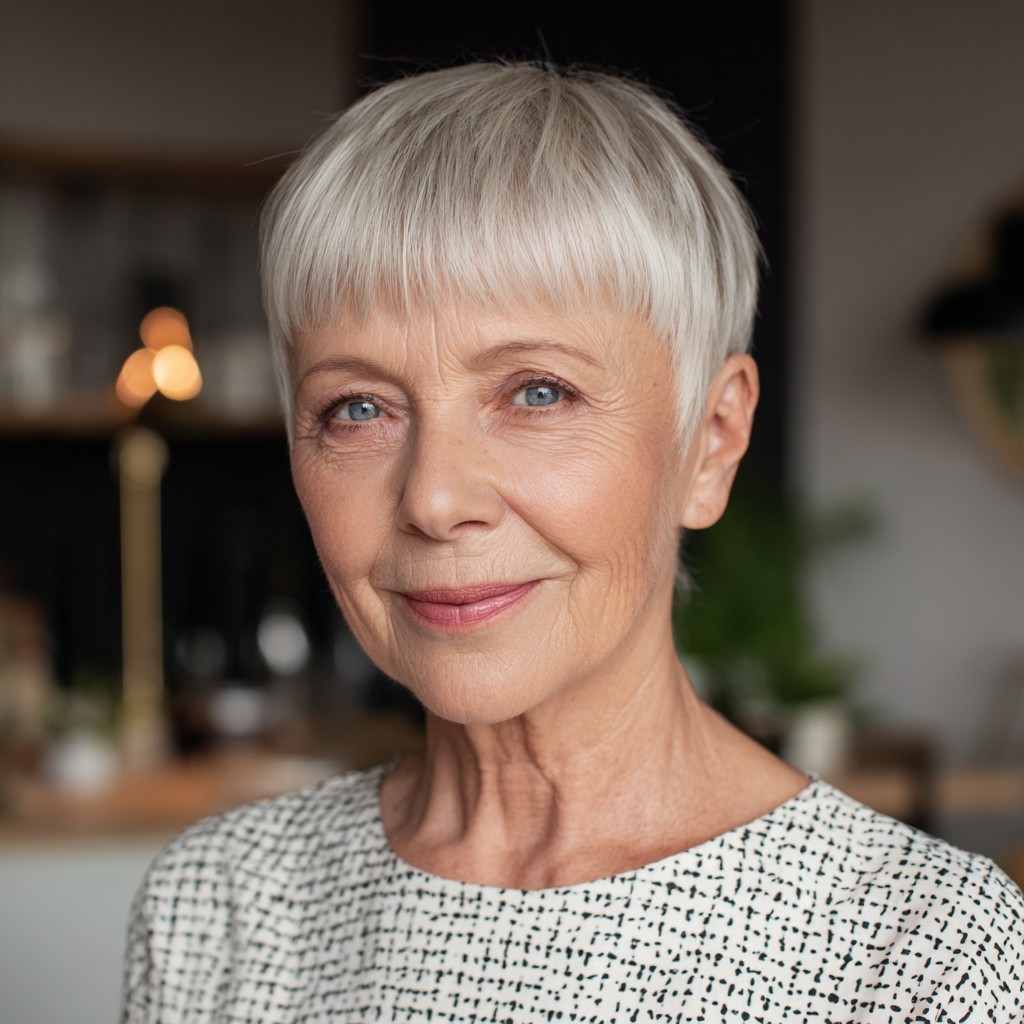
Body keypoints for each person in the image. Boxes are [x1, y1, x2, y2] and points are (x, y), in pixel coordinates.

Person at [121, 62, 1024, 1022]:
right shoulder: (217, 910)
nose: (434, 499)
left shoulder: (923, 953)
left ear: (711, 441)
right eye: (357, 408)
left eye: (537, 392)